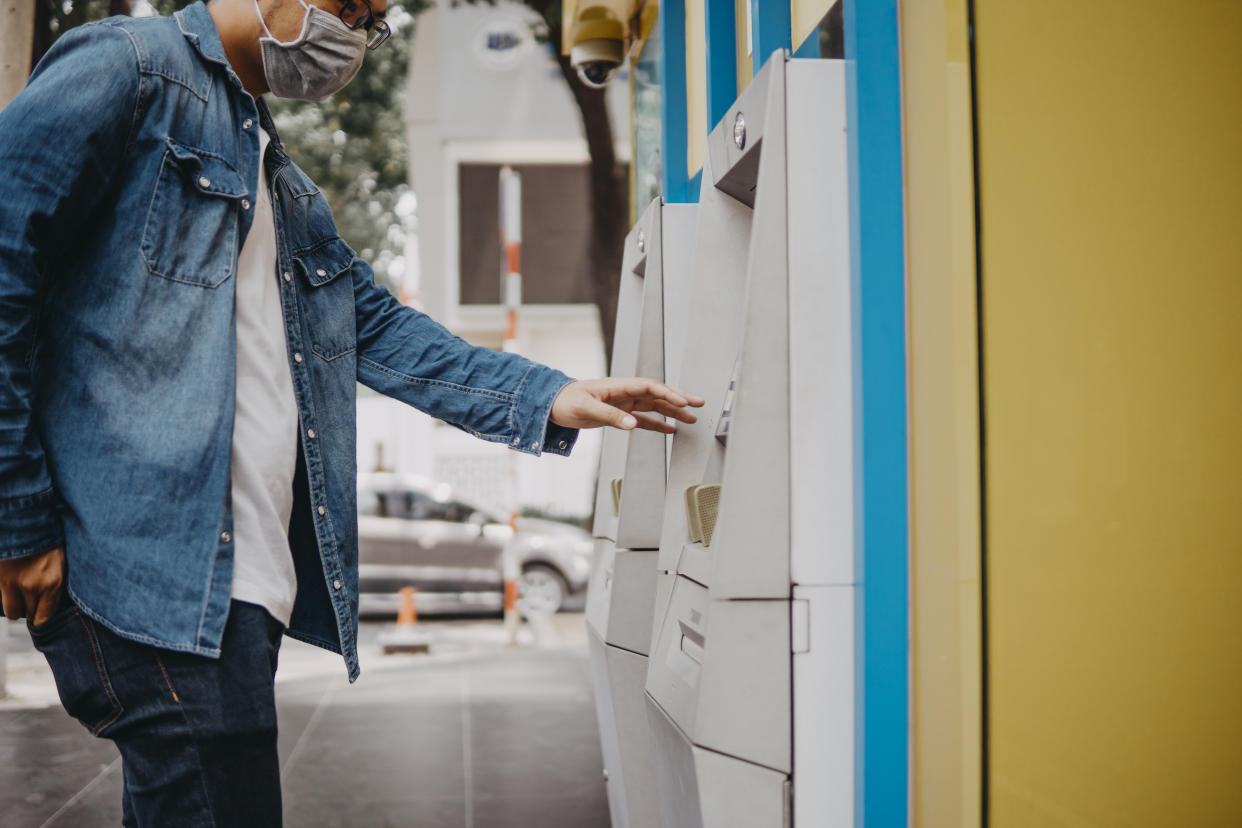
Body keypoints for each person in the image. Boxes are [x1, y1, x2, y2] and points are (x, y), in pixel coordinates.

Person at [0, 0, 702, 823]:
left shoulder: (273, 170)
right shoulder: (125, 67)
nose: (357, 36)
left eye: (371, 19)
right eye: (349, 6)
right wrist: (17, 520)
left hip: (235, 584)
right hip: (148, 571)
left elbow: (373, 326)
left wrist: (549, 395)